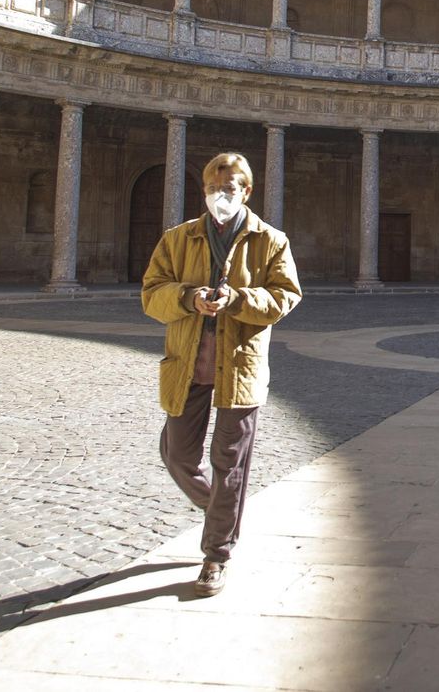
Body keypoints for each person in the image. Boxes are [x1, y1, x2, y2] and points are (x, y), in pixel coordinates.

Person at [140, 151, 301, 596]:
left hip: (240, 367)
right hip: (187, 362)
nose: (219, 197)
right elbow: (151, 294)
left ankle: (216, 554)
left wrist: (238, 300)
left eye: (228, 190)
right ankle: (223, 514)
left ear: (246, 191)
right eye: (213, 190)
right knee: (177, 455)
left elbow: (286, 296)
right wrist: (190, 297)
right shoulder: (178, 238)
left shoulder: (270, 240)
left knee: (228, 464)